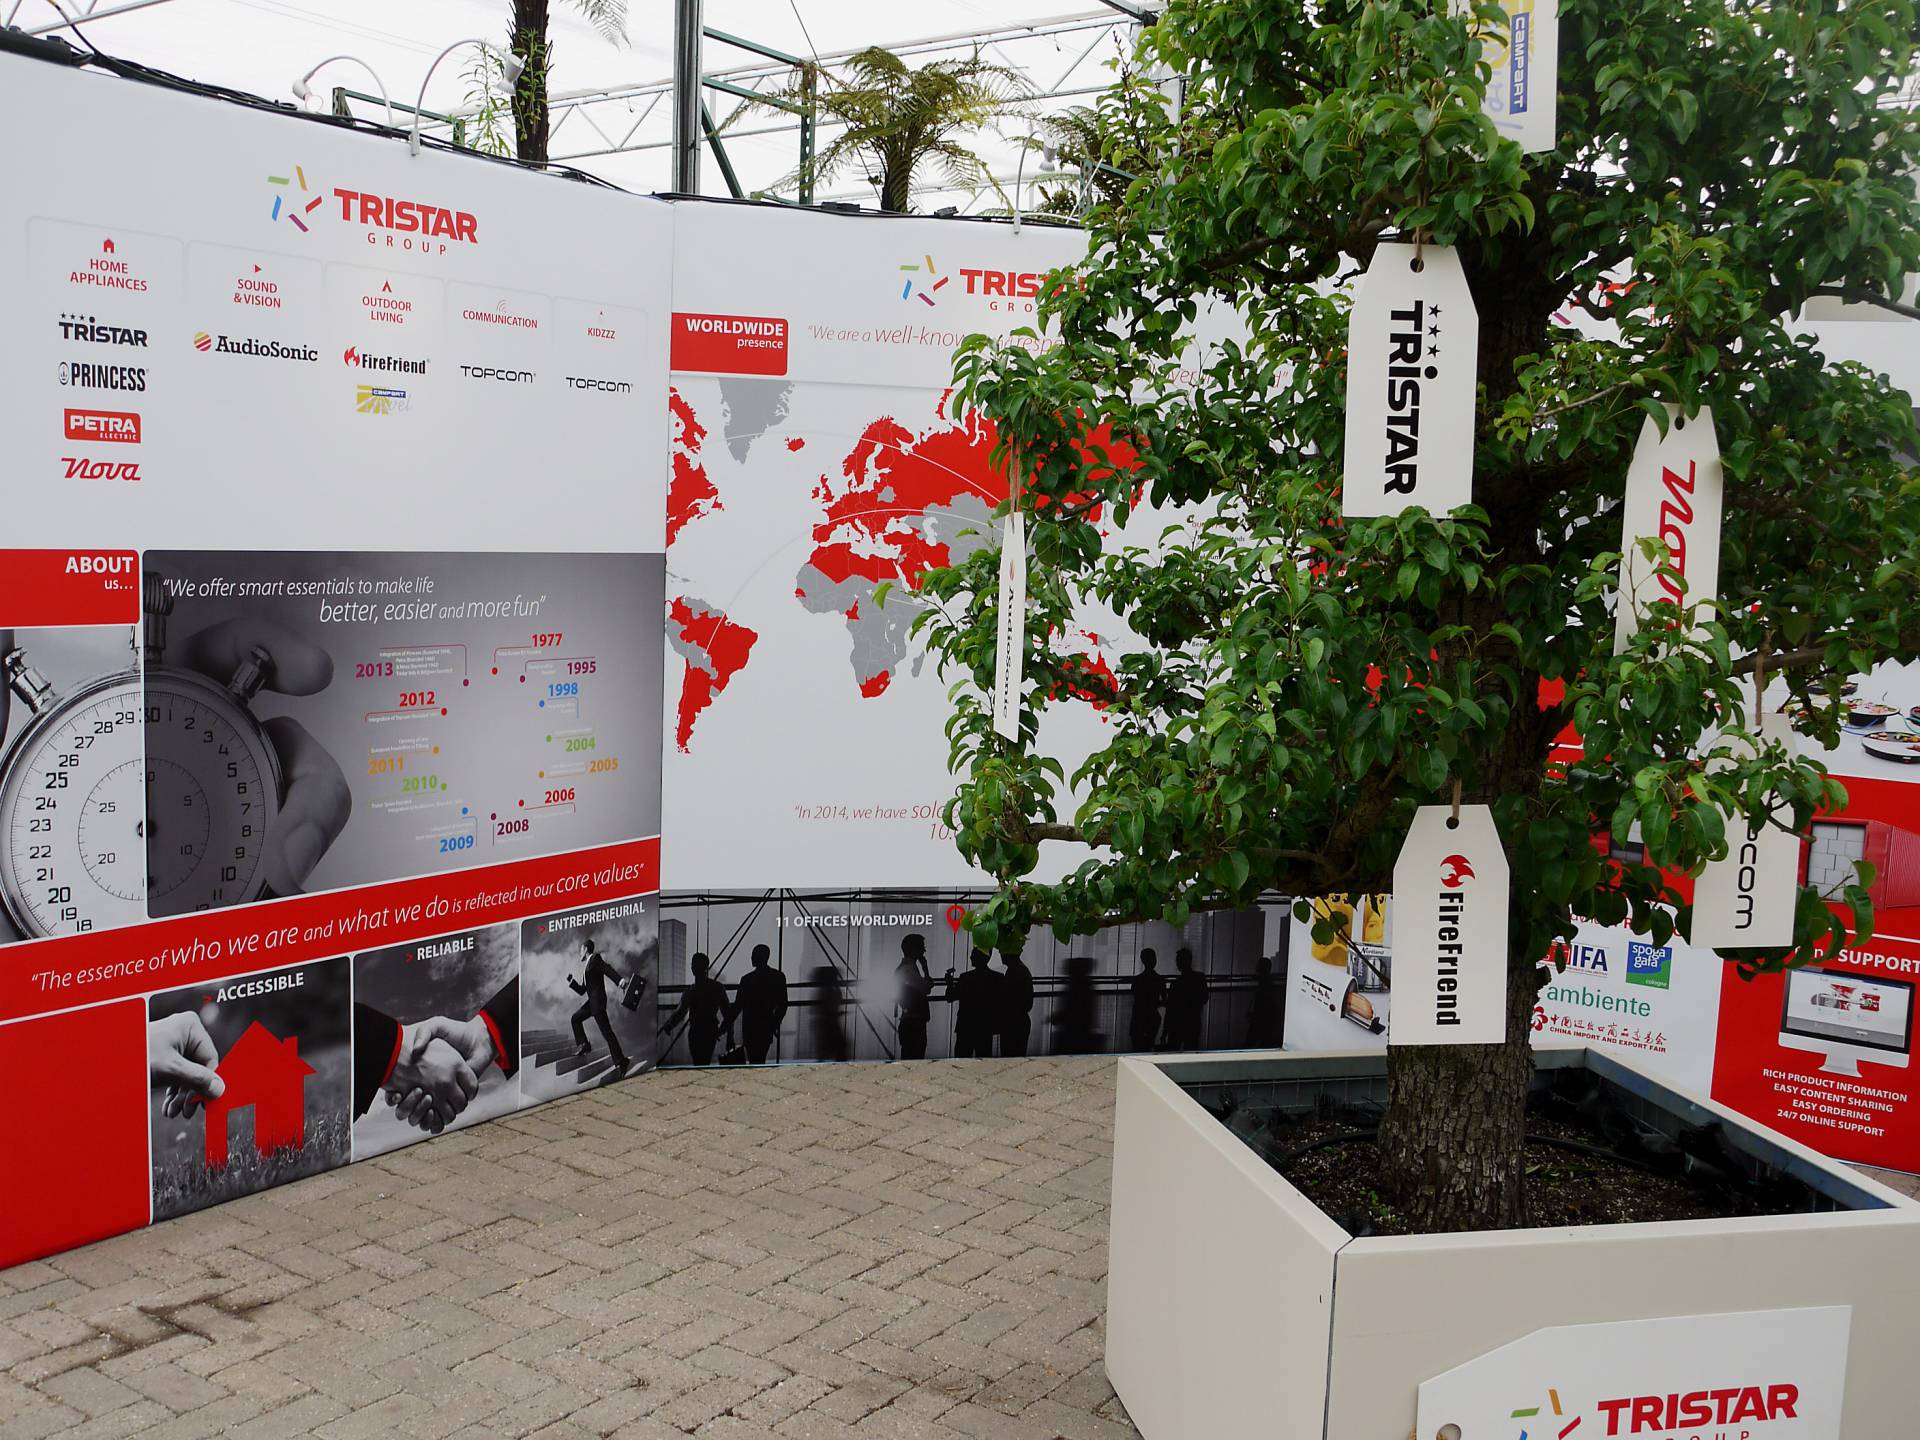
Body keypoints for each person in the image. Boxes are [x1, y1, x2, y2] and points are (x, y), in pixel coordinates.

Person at [569, 937, 633, 1074]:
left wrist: (620, 981)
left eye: (580, 950)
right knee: (575, 1018)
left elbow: (607, 969)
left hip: (597, 1002)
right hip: (591, 1003)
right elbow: (582, 990)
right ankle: (584, 1044)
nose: (579, 953)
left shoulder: (595, 959)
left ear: (586, 949)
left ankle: (621, 1061)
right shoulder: (586, 968)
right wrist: (572, 982)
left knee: (607, 1033)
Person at [729, 944, 789, 1064]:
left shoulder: (746, 979)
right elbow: (783, 1005)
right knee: (760, 1058)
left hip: (750, 1027)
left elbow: (737, 1006)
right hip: (766, 1026)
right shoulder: (778, 977)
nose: (751, 958)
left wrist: (724, 1026)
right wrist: (774, 1024)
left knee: (753, 1059)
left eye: (753, 955)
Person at [671, 952, 733, 1064]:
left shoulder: (690, 990)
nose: (693, 967)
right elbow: (728, 1014)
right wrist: (728, 1035)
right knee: (705, 1060)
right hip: (710, 1030)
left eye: (694, 965)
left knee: (698, 1062)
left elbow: (681, 1012)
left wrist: (670, 1025)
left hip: (695, 1031)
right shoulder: (717, 987)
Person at [948, 948, 1003, 1058]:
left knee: (961, 1059)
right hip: (985, 1026)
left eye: (973, 955)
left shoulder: (965, 978)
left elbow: (950, 997)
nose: (970, 957)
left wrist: (949, 984)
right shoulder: (997, 978)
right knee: (984, 1059)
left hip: (965, 1026)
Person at [893, 934, 937, 1060]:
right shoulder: (908, 970)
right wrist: (926, 970)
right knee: (915, 1057)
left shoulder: (906, 968)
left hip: (911, 1021)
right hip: (913, 1023)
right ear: (913, 949)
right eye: (921, 947)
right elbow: (926, 988)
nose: (924, 950)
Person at [1162, 947, 1210, 1051]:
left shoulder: (1176, 984)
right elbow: (1205, 998)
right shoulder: (1199, 978)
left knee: (1173, 1051)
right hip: (1193, 1021)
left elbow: (1170, 1009)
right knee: (1191, 1050)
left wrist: (1165, 1031)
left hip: (1177, 1023)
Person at [1053, 955, 1099, 1054]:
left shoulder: (1075, 987)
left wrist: (1057, 1018)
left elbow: (1072, 1010)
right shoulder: (1086, 986)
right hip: (1081, 1031)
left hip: (1072, 1033)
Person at [997, 946, 1035, 1057]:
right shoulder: (1021, 970)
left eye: (1002, 951)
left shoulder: (1014, 971)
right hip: (1018, 1022)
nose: (1000, 954)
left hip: (1013, 1023)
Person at [809, 965, 851, 1061]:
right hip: (829, 1023)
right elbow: (827, 1008)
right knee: (839, 1048)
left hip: (827, 1023)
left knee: (830, 1050)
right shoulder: (830, 990)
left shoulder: (826, 990)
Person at [1128, 949, 1166, 1053]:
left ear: (1143, 960)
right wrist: (1155, 1004)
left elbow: (1136, 997)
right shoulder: (1160, 979)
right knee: (1149, 1044)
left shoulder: (1137, 980)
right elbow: (1165, 1000)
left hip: (1138, 1017)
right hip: (1152, 1017)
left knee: (1137, 1047)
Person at [1246, 954, 1284, 1048]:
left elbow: (1263, 1005)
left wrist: (1254, 1016)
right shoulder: (1269, 984)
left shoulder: (1264, 985)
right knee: (1262, 1043)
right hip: (1266, 1021)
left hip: (1261, 1020)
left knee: (1250, 1043)